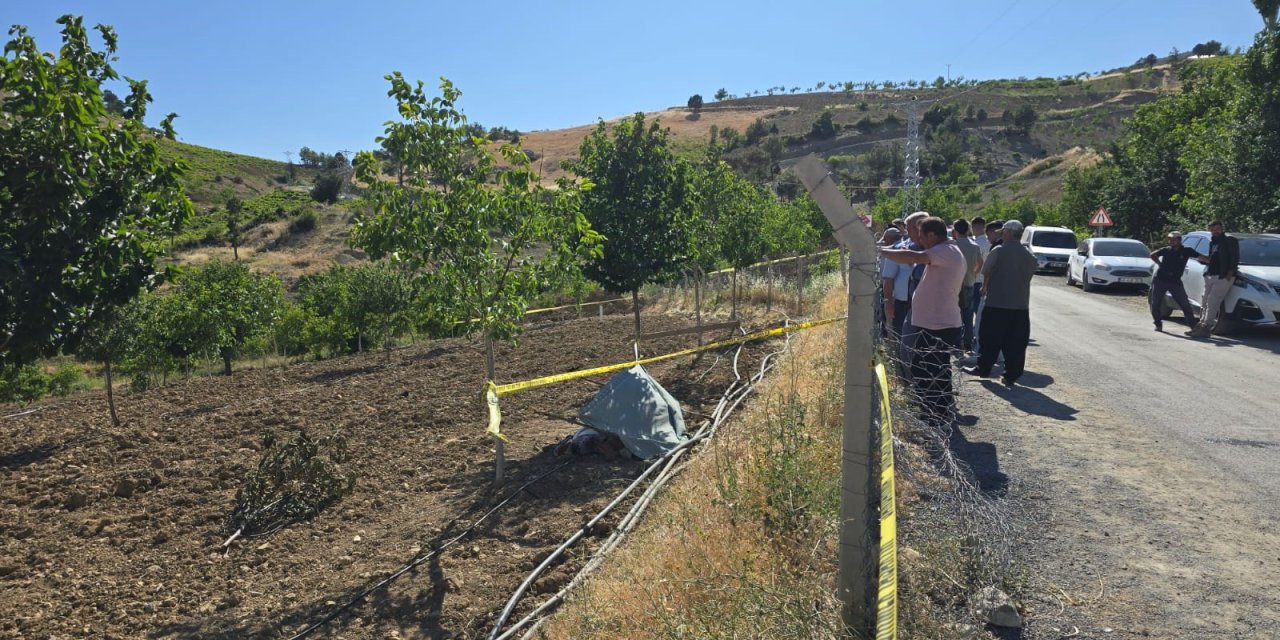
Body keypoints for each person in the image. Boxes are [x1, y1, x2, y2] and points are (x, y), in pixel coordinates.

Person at [880, 216, 966, 427]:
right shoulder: (947, 250)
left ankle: (935, 415)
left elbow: (913, 257)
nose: (919, 241)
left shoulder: (944, 251)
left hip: (937, 324)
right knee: (932, 369)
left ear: (932, 235)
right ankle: (936, 412)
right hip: (934, 322)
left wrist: (881, 251)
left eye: (921, 237)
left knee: (929, 370)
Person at [963, 220, 1038, 387]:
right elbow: (1033, 269)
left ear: (1009, 233)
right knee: (1016, 343)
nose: (1001, 234)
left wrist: (986, 286)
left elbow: (985, 270)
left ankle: (983, 369)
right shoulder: (1028, 254)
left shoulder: (998, 250)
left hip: (996, 303)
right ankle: (1011, 375)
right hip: (1020, 305)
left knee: (989, 338)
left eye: (1003, 232)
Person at [1187, 221, 1239, 338]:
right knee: (1204, 300)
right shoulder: (1213, 241)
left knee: (1212, 302)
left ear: (1222, 228)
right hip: (1210, 274)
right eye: (1213, 229)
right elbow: (1213, 257)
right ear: (1210, 230)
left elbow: (1234, 258)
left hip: (1223, 276)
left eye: (1218, 229)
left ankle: (1206, 327)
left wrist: (1229, 274)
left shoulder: (1230, 240)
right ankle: (1200, 326)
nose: (1216, 231)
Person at [1149, 231, 1199, 332]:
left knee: (1185, 304)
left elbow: (1202, 257)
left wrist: (1212, 261)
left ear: (1179, 240)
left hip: (1175, 282)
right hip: (1160, 280)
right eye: (1169, 239)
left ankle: (1193, 327)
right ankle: (1158, 324)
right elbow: (1153, 255)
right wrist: (1159, 263)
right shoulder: (1166, 250)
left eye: (1173, 239)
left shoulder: (1187, 251)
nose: (1170, 241)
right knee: (1155, 303)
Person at [952, 219, 981, 352]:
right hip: (969, 283)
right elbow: (980, 263)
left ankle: (955, 342)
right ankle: (967, 342)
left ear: (955, 231)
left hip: (952, 285)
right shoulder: (975, 246)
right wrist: (973, 273)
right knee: (968, 316)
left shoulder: (953, 245)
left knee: (953, 314)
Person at [879, 228, 909, 338]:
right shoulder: (903, 248)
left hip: (897, 299)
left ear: (889, 239)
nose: (884, 242)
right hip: (904, 298)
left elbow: (887, 278)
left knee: (899, 330)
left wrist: (888, 302)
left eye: (885, 239)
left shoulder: (894, 251)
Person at [970, 217, 990, 352]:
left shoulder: (975, 243)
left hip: (976, 280)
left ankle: (978, 340)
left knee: (976, 312)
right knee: (981, 312)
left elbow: (975, 263)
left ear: (974, 227)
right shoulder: (989, 242)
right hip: (985, 280)